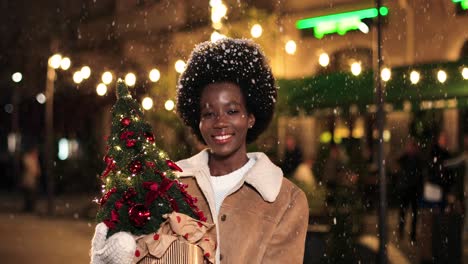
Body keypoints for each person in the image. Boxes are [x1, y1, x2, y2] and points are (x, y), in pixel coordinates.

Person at [91, 38, 309, 263]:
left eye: (232, 111)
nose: (220, 122)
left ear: (251, 117)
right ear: (198, 121)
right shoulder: (170, 185)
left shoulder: (286, 200)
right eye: (208, 114)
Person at [396, 138, 424, 242]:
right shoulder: (405, 158)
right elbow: (397, 161)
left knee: (414, 214)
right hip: (406, 188)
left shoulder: (418, 159)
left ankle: (411, 235)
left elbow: (420, 175)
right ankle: (401, 232)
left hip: (414, 189)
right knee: (404, 212)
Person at [20, 145, 41, 212]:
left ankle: (31, 208)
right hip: (28, 179)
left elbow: (37, 170)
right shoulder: (27, 158)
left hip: (33, 179)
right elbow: (31, 168)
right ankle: (28, 208)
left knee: (32, 194)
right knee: (28, 194)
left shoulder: (34, 159)